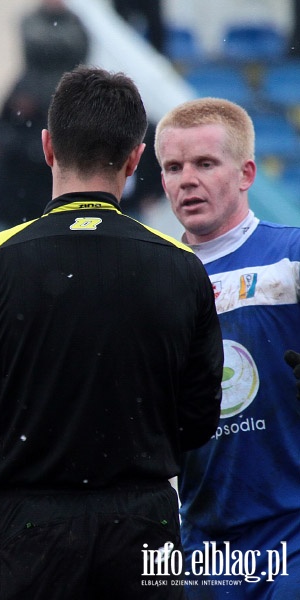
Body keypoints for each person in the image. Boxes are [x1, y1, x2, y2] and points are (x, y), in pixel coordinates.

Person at [0, 66, 224, 598]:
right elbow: (199, 415)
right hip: (145, 528)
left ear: (48, 147)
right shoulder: (182, 267)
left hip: (26, 520)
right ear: (136, 157)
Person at [156, 97, 300, 596]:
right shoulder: (152, 282)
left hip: (292, 531)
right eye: (173, 167)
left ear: (246, 174)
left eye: (205, 164)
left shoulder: (293, 256)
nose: (187, 179)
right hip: (202, 546)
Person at [0, 0, 89, 228]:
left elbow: (76, 45)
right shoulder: (22, 94)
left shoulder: (75, 22)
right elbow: (38, 42)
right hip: (26, 188)